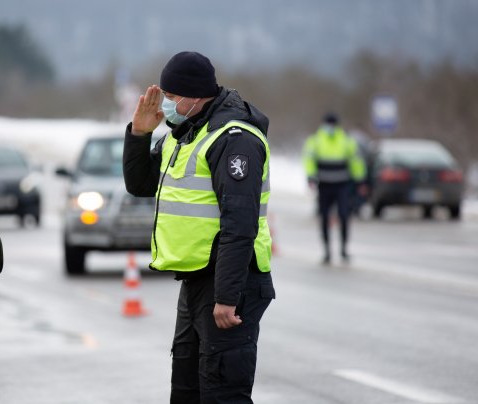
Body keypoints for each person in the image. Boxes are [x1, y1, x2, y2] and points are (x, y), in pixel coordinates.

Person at [123, 51, 275, 404]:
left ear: (195, 95)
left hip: (231, 282)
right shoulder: (184, 133)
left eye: (173, 98)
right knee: (188, 391)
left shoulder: (234, 140)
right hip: (196, 280)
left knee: (222, 394)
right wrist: (139, 134)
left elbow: (240, 224)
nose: (168, 105)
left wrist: (227, 297)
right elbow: (140, 184)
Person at [302, 113, 367, 264]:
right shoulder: (316, 140)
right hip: (324, 186)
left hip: (342, 185)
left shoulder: (345, 140)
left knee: (344, 216)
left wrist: (360, 180)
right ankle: (327, 251)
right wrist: (311, 176)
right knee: (324, 218)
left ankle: (344, 249)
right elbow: (308, 159)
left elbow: (356, 160)